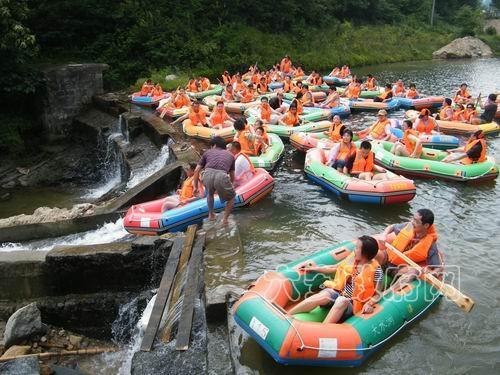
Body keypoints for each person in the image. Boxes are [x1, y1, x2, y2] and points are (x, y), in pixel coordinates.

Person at [288, 235, 383, 323]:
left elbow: (378, 294)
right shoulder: (352, 258)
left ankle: (320, 331)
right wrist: (314, 268)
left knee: (342, 300)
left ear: (365, 253)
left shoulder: (376, 271)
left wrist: (369, 304)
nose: (354, 249)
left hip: (353, 302)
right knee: (323, 296)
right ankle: (287, 315)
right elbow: (334, 267)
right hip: (338, 291)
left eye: (357, 247)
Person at [375, 209, 442, 280]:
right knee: (372, 253)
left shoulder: (430, 244)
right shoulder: (409, 227)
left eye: (416, 221)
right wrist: (384, 235)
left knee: (412, 273)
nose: (412, 222)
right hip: (388, 256)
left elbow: (438, 268)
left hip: (400, 267)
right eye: (413, 218)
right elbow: (391, 227)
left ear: (426, 225)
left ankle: (393, 289)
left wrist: (432, 273)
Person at [193, 136, 235, 225]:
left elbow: (196, 170)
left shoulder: (207, 152)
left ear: (214, 145)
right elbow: (232, 175)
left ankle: (211, 215)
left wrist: (195, 187)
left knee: (210, 193)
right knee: (231, 198)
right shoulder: (231, 155)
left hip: (207, 174)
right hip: (222, 175)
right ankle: (225, 220)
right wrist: (231, 185)